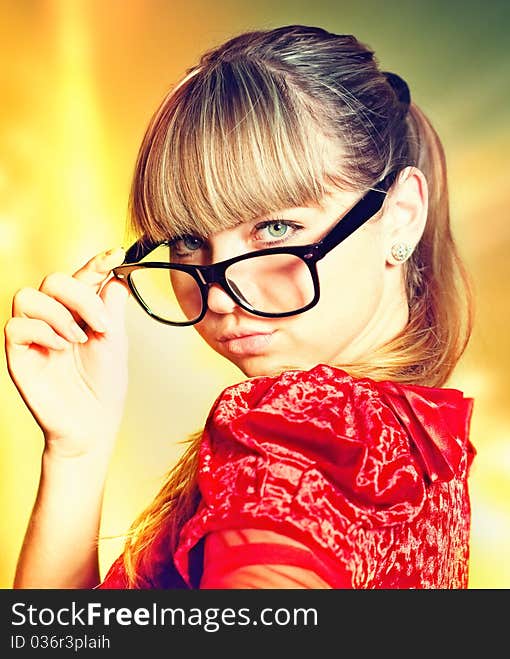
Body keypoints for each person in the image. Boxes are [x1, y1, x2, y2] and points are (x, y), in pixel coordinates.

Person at [5, 24, 475, 589]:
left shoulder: (303, 429)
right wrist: (77, 450)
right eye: (187, 240)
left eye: (276, 229)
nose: (221, 295)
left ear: (400, 214)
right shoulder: (416, 443)